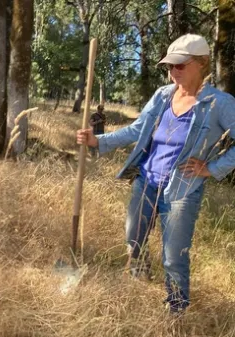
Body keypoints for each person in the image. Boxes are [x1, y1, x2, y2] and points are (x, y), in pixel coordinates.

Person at [77, 34, 235, 314]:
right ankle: (139, 282)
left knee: (174, 257)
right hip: (146, 182)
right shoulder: (163, 95)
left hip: (182, 191)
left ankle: (176, 312)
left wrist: (211, 168)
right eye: (169, 66)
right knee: (133, 239)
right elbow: (137, 130)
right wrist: (98, 141)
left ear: (202, 63)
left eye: (180, 66)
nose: (173, 72)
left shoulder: (218, 103)